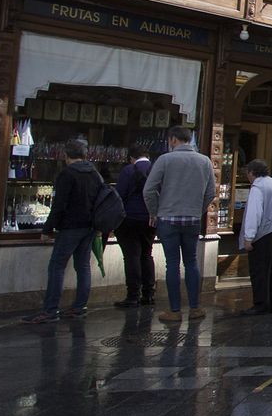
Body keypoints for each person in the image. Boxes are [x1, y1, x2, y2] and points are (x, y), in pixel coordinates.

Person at [21, 138, 102, 324]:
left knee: (57, 266)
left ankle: (50, 309)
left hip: (70, 226)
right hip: (89, 226)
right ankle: (80, 306)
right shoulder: (94, 173)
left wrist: (47, 229)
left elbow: (59, 205)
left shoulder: (67, 174)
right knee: (83, 266)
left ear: (66, 156)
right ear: (84, 154)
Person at [143, 126, 217, 323]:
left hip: (168, 218)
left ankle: (175, 310)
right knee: (191, 262)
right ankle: (195, 307)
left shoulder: (165, 160)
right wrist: (197, 210)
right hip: (192, 219)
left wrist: (155, 212)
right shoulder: (204, 161)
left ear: (173, 139)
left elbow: (149, 190)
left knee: (172, 264)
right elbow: (211, 192)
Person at [240, 158, 272, 315]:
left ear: (252, 172)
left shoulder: (258, 187)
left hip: (265, 233)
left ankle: (261, 304)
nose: (247, 177)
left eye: (247, 173)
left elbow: (254, 213)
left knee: (260, 270)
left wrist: (248, 238)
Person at [112, 143, 156, 308]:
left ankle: (133, 295)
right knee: (147, 254)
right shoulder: (155, 169)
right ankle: (149, 293)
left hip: (129, 218)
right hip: (150, 219)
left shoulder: (128, 171)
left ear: (131, 158)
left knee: (131, 257)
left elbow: (119, 195)